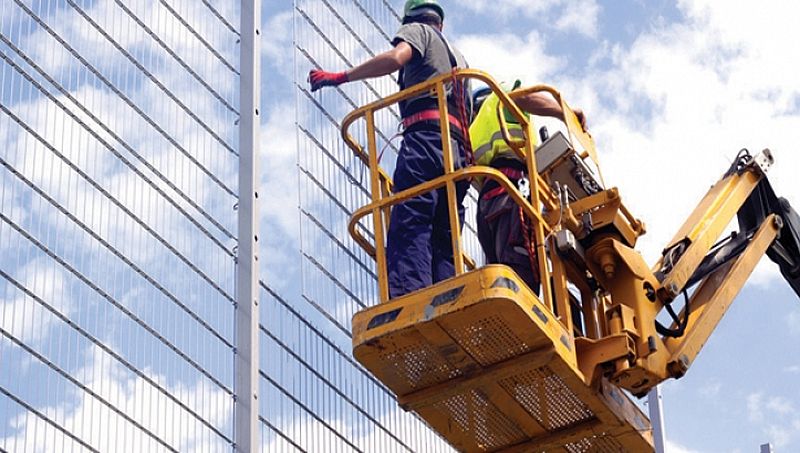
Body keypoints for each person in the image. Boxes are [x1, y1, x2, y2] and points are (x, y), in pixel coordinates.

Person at [308, 0, 472, 298]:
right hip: (459, 154)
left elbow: (397, 58)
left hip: (426, 140)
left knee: (410, 218)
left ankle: (411, 300)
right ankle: (449, 298)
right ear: (442, 23)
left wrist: (342, 76)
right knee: (445, 237)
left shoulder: (418, 31)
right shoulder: (460, 59)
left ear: (409, 19)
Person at [470, 82, 586, 293]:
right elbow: (523, 98)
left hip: (488, 200)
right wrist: (564, 113)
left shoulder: (473, 130)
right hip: (512, 187)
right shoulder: (498, 100)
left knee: (499, 273)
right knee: (520, 271)